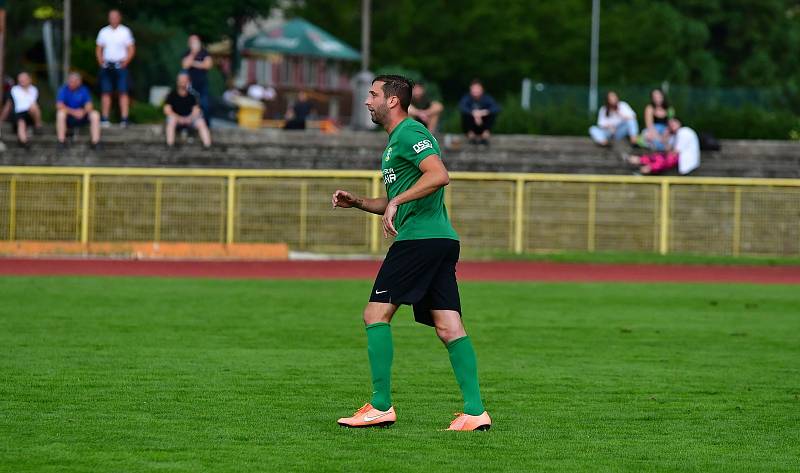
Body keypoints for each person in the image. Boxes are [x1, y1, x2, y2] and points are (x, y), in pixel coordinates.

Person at [331, 75, 491, 432]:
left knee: (375, 314)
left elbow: (438, 174)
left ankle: (381, 405)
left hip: (419, 240)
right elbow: (394, 200)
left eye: (372, 94)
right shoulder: (393, 143)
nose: (366, 100)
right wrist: (358, 201)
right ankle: (475, 412)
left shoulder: (410, 133)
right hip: (438, 240)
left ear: (392, 101)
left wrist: (398, 203)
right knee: (449, 327)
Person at [96, 9, 135, 128]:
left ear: (119, 17)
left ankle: (124, 118)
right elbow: (99, 48)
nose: (113, 19)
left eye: (115, 16)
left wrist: (126, 62)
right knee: (106, 92)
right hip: (107, 65)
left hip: (120, 65)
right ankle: (105, 118)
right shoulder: (104, 31)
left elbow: (131, 48)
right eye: (111, 17)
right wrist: (100, 61)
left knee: (123, 92)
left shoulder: (125, 31)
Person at [627, 117, 699, 175]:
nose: (671, 125)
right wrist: (665, 136)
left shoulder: (684, 132)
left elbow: (675, 152)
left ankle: (645, 164)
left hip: (685, 163)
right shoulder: (675, 135)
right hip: (679, 161)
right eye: (670, 124)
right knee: (660, 157)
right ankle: (641, 161)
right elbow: (667, 149)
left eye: (673, 123)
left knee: (663, 159)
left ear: (679, 123)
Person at [163, 72, 212, 149]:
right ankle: (170, 144)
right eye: (181, 80)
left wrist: (189, 118)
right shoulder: (171, 94)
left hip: (190, 119)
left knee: (201, 122)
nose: (183, 82)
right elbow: (167, 110)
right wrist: (179, 118)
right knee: (171, 120)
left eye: (184, 80)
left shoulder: (193, 95)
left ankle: (207, 145)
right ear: (177, 81)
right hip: (176, 119)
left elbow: (196, 111)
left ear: (188, 82)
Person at [56, 72, 102, 150]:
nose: (73, 83)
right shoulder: (63, 89)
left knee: (95, 114)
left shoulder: (84, 90)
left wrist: (83, 112)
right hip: (69, 117)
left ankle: (95, 142)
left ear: (79, 82)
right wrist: (73, 112)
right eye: (71, 81)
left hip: (82, 116)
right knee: (60, 114)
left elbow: (89, 105)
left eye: (75, 81)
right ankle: (61, 141)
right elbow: (59, 105)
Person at [181, 34, 213, 123]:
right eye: (192, 42)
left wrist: (193, 63)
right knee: (188, 104)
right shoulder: (187, 53)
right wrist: (193, 53)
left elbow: (208, 65)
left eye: (195, 41)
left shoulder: (204, 53)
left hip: (202, 84)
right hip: (190, 84)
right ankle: (188, 124)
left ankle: (206, 124)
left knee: (205, 104)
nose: (194, 43)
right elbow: (185, 65)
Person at [459, 79, 501, 145]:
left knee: (492, 114)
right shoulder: (466, 98)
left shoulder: (487, 98)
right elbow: (462, 107)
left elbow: (496, 108)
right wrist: (473, 113)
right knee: (465, 114)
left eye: (477, 88)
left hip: (483, 124)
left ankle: (485, 135)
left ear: (482, 89)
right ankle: (471, 135)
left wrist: (483, 113)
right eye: (474, 88)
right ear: (470, 89)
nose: (476, 90)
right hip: (471, 124)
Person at [10, 72, 42, 148]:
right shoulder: (14, 89)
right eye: (21, 78)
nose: (22, 80)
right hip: (19, 113)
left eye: (24, 78)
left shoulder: (33, 89)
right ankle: (24, 141)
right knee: (21, 123)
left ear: (29, 79)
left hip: (30, 113)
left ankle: (38, 126)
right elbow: (18, 103)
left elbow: (32, 102)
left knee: (34, 106)